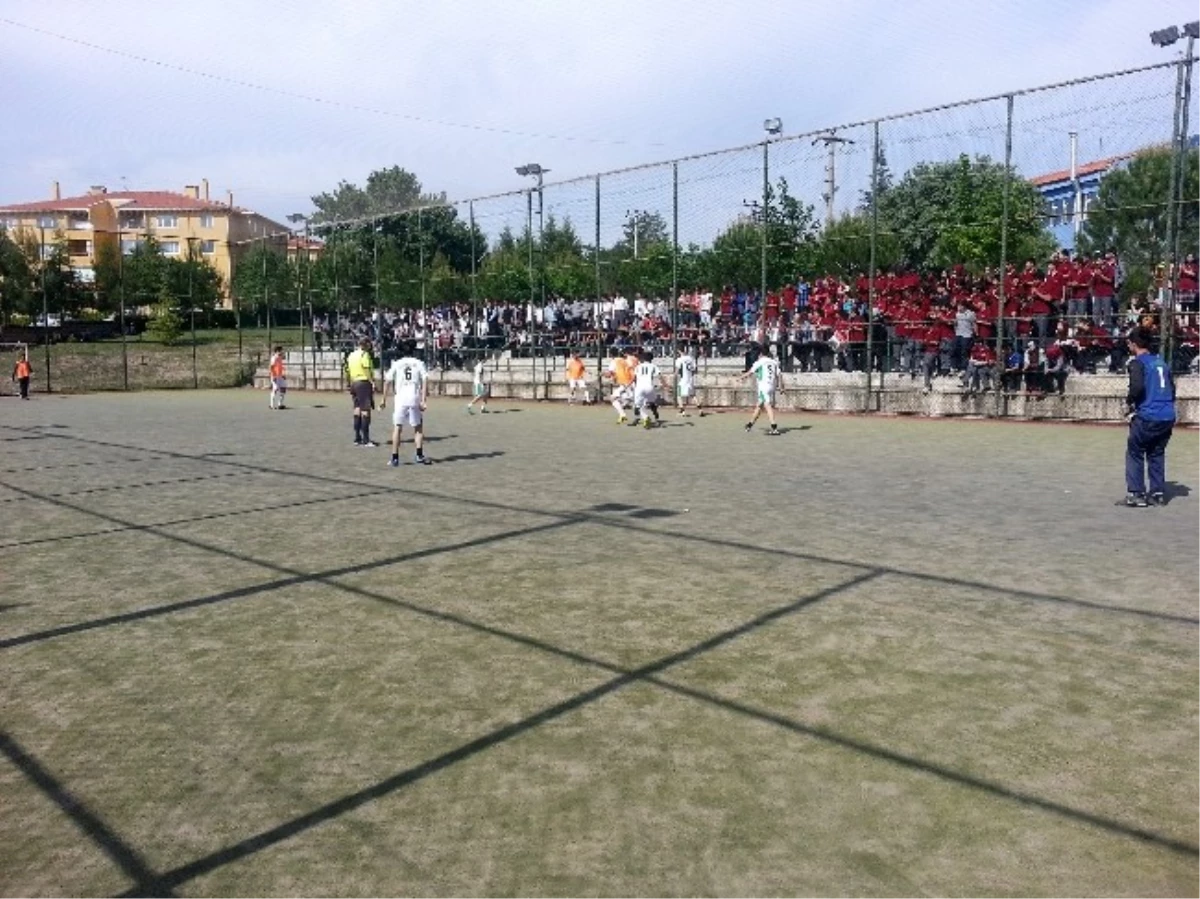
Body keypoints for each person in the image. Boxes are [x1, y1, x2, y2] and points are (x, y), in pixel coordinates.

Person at [1124, 327, 1176, 507]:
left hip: (1148, 415)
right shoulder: (1161, 362)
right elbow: (1172, 388)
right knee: (1156, 452)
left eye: (1129, 343)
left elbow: (1137, 388)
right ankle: (1157, 493)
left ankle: (1136, 493)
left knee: (1135, 451)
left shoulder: (1137, 363)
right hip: (1167, 416)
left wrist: (1129, 401)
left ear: (1134, 344)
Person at [380, 342, 431, 466]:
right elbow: (425, 380)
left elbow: (387, 381)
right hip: (414, 397)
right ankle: (419, 455)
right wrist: (424, 400)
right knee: (418, 427)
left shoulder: (397, 364)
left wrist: (383, 400)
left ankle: (395, 457)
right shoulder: (419, 363)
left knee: (397, 427)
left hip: (401, 398)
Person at [740, 344, 782, 435]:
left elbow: (750, 372)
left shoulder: (760, 362)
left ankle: (774, 427)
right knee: (759, 406)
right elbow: (779, 375)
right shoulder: (773, 362)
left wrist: (740, 378)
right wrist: (781, 387)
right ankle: (749, 425)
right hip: (771, 386)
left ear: (760, 353)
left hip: (763, 387)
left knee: (767, 405)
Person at [345, 337, 377, 447]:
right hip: (363, 382)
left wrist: (349, 383)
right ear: (366, 345)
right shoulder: (364, 355)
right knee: (365, 411)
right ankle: (366, 439)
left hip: (354, 383)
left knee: (357, 409)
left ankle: (357, 438)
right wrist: (372, 381)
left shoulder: (351, 355)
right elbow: (366, 368)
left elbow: (347, 371)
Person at [633, 349, 666, 430]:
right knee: (652, 404)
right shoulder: (653, 366)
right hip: (649, 387)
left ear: (643, 359)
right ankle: (657, 419)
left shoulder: (638, 366)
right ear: (651, 359)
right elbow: (660, 376)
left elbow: (634, 378)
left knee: (637, 405)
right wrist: (665, 385)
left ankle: (640, 418)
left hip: (639, 387)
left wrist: (630, 385)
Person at [606, 348, 634, 425]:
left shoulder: (614, 361)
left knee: (613, 399)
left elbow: (609, 374)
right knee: (623, 398)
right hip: (630, 383)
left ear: (611, 354)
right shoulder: (624, 360)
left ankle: (623, 414)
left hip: (625, 384)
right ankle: (623, 414)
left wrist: (602, 374)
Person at [674, 345, 704, 417]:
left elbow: (677, 370)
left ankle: (682, 411)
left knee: (678, 395)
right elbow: (694, 369)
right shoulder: (691, 358)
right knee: (692, 395)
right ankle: (700, 409)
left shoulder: (679, 359)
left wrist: (674, 375)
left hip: (683, 380)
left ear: (679, 351)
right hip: (690, 380)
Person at [268, 346, 287, 410]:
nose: (282, 351)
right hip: (275, 376)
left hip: (280, 376)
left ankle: (280, 404)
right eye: (281, 350)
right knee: (275, 389)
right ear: (277, 351)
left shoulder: (280, 358)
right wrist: (273, 376)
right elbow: (271, 367)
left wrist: (283, 374)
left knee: (283, 388)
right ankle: (271, 405)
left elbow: (281, 366)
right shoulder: (274, 358)